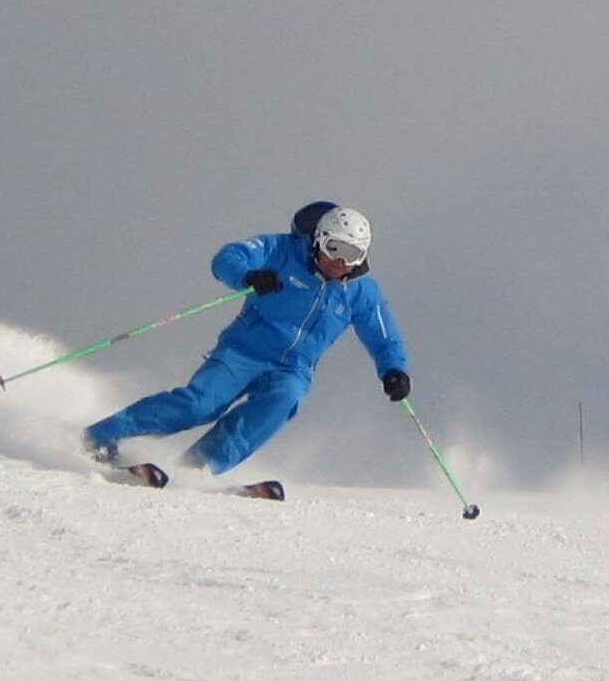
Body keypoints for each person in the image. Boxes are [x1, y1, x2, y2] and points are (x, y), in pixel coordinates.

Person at [83, 201, 411, 477]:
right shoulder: (282, 251)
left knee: (282, 401)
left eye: (352, 253)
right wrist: (248, 275)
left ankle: (198, 468)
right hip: (244, 351)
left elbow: (384, 337)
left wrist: (393, 370)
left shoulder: (361, 292)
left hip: (294, 368)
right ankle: (100, 437)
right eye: (335, 248)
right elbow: (228, 257)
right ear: (319, 240)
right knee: (200, 405)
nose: (341, 261)